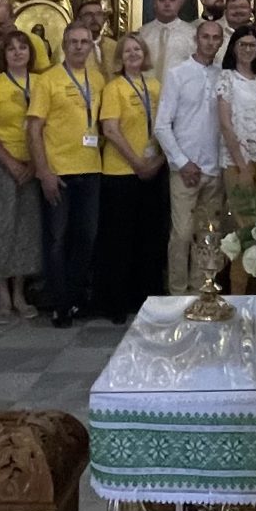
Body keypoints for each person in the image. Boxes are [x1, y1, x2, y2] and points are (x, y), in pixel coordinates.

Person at [29, 25, 106, 329]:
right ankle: (59, 304)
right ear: (64, 45)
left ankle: (73, 297)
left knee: (86, 237)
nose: (79, 47)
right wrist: (43, 171)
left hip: (91, 168)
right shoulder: (48, 80)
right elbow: (34, 129)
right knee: (57, 240)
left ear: (90, 46)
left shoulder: (97, 79)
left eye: (84, 42)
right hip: (58, 171)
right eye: (73, 42)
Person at [95, 35, 169, 322]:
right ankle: (117, 302)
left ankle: (146, 298)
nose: (133, 54)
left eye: (138, 49)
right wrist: (138, 163)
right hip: (121, 173)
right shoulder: (114, 88)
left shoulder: (155, 86)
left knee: (149, 239)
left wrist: (158, 161)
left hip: (153, 170)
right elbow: (110, 130)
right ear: (119, 58)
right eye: (127, 51)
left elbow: (166, 125)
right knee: (119, 241)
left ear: (145, 54)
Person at [0, 33, 44, 323]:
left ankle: (20, 293)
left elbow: (49, 125)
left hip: (33, 166)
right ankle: (2, 295)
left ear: (30, 52)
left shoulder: (41, 83)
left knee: (25, 231)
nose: (17, 53)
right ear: (4, 56)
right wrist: (10, 162)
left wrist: (36, 163)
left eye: (22, 47)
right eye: (11, 49)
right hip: (0, 165)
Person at [156, 20, 228, 295]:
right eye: (205, 37)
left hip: (214, 167)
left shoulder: (224, 76)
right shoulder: (178, 74)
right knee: (182, 234)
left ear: (221, 42)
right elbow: (162, 125)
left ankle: (202, 290)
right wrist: (181, 161)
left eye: (215, 38)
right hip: (184, 167)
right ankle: (177, 291)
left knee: (209, 233)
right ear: (196, 40)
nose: (210, 42)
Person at [216, 27, 256, 293]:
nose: (247, 49)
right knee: (245, 228)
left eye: (252, 45)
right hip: (237, 161)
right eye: (242, 44)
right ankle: (238, 291)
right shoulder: (227, 78)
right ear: (234, 48)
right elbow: (225, 123)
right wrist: (242, 163)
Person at [137, 0, 199, 80]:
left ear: (180, 3)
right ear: (154, 4)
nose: (167, 4)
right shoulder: (143, 33)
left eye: (172, 0)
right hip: (146, 86)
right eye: (162, 0)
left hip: (180, 86)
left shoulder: (192, 34)